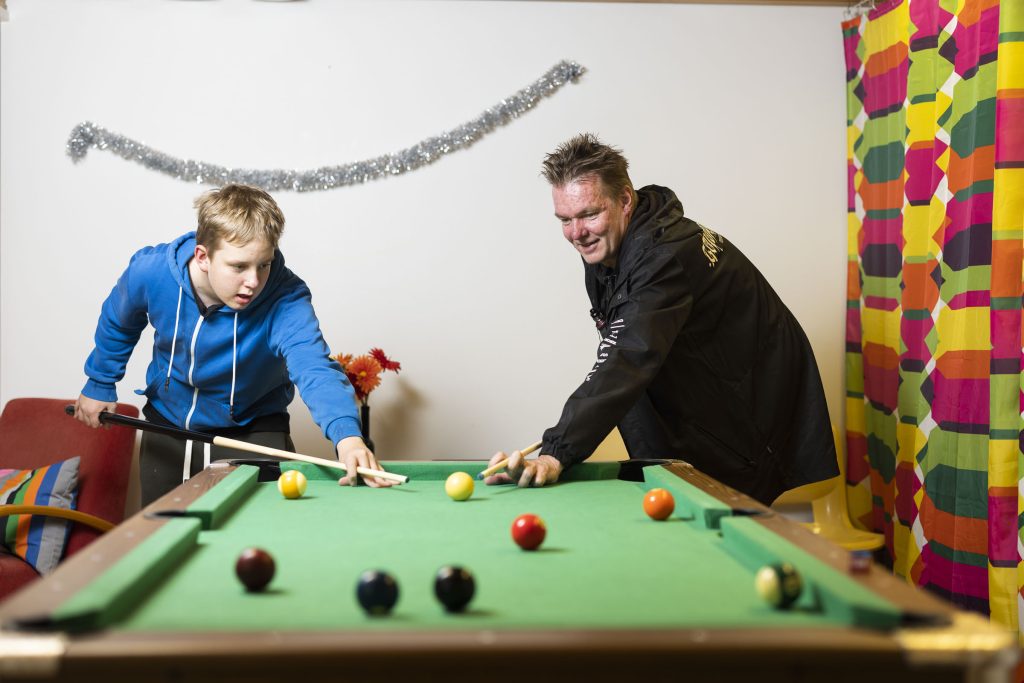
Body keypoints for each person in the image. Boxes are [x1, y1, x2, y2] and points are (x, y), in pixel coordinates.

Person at [485, 134, 837, 505]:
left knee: (713, 536)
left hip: (752, 414)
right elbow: (629, 349)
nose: (577, 233)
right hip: (702, 396)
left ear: (624, 199)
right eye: (565, 219)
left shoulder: (662, 256)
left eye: (589, 214)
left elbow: (628, 356)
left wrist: (557, 450)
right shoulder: (611, 246)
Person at [74, 183, 391, 505]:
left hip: (253, 426)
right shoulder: (151, 272)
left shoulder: (286, 298)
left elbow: (314, 366)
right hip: (168, 423)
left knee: (263, 538)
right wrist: (100, 381)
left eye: (264, 264)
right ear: (203, 257)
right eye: (239, 266)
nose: (253, 281)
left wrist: (348, 437)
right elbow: (119, 319)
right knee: (160, 533)